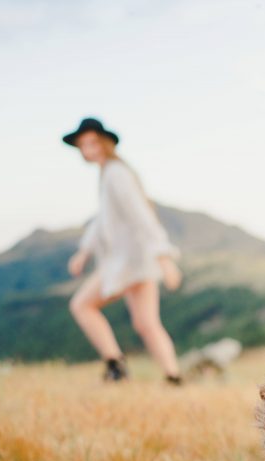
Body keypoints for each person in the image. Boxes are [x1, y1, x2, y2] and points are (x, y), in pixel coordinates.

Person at [62, 117, 184, 384]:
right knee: (146, 323)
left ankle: (115, 365)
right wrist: (84, 251)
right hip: (137, 260)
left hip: (127, 260)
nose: (86, 149)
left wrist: (164, 257)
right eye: (82, 145)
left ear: (105, 143)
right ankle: (174, 377)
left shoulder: (116, 174)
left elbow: (141, 215)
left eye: (92, 142)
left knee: (82, 305)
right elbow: (103, 220)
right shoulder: (110, 172)